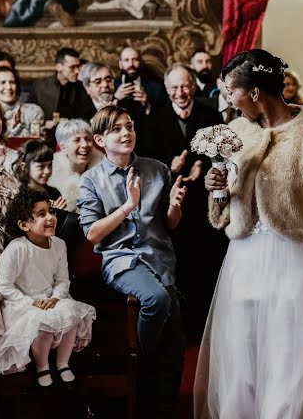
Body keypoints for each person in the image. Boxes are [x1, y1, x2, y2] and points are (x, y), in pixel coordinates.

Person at [196, 49, 303, 418]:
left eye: (231, 91)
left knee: (294, 359)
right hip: (244, 263)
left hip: (296, 261)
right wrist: (217, 187)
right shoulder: (235, 131)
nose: (227, 99)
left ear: (255, 92)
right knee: (243, 359)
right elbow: (226, 206)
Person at [77, 105, 186, 416]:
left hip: (160, 258)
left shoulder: (157, 169)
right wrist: (127, 207)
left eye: (130, 127)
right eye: (116, 130)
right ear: (100, 140)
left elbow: (171, 223)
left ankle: (163, 407)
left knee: (175, 344)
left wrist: (175, 206)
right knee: (157, 299)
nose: (126, 133)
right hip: (120, 260)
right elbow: (92, 235)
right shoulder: (91, 180)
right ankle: (140, 362)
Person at [0, 187, 96, 386]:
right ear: (24, 224)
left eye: (51, 212)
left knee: (71, 315)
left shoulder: (59, 244)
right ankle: (42, 366)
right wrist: (32, 302)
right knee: (42, 326)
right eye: (41, 214)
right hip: (24, 303)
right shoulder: (16, 249)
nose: (51, 217)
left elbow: (62, 280)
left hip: (52, 298)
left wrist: (56, 298)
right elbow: (5, 286)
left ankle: (63, 363)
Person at [143, 64, 225, 339]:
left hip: (205, 206)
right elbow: (148, 167)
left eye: (185, 86)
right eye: (174, 88)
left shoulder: (211, 115)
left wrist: (202, 168)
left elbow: (225, 156)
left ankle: (208, 328)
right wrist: (173, 167)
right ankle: (182, 329)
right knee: (179, 268)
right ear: (166, 90)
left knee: (207, 267)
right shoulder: (154, 119)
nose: (180, 92)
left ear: (193, 86)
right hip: (171, 208)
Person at [48, 119, 102, 221]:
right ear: (63, 147)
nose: (84, 145)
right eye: (77, 140)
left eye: (88, 139)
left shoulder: (104, 170)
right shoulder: (49, 175)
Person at [13, 139, 71, 233]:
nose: (47, 171)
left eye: (50, 165)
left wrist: (60, 214)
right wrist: (52, 214)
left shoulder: (54, 192)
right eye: (41, 166)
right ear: (24, 167)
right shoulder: (19, 195)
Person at [29, 47, 91, 121]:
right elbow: (30, 112)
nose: (77, 71)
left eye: (78, 66)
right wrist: (44, 123)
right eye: (72, 67)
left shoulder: (82, 87)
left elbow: (88, 114)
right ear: (58, 67)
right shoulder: (40, 86)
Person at [0, 66, 45, 137]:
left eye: (12, 82)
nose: (8, 87)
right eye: (3, 82)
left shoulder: (34, 112)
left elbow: (37, 143)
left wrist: (18, 128)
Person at [114, 46, 167, 111]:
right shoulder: (112, 86)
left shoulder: (156, 88)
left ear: (140, 62)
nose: (131, 64)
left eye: (135, 60)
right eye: (126, 60)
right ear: (120, 64)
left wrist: (148, 106)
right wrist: (115, 98)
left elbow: (163, 117)